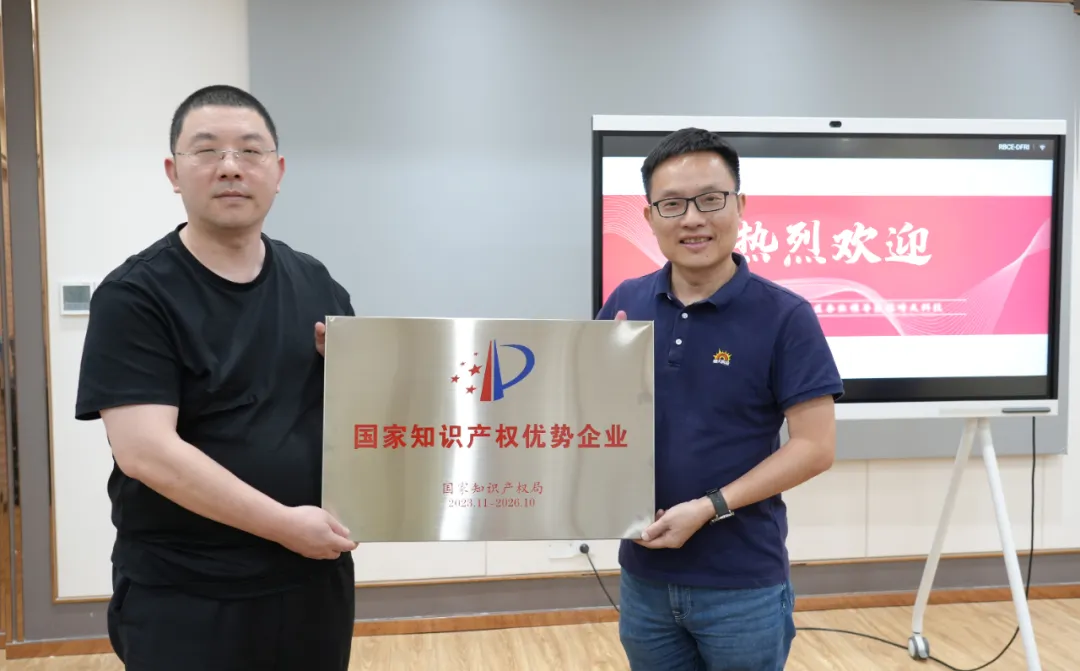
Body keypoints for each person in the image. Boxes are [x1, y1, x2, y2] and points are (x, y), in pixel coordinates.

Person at [74, 85, 358, 671]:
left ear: (278, 172)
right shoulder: (135, 296)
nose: (231, 167)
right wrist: (284, 525)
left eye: (250, 151)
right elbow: (145, 453)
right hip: (188, 592)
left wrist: (354, 372)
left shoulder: (316, 282)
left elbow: (358, 416)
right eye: (207, 151)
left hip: (310, 582)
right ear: (173, 173)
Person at [596, 128, 844, 670]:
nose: (692, 219)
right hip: (644, 576)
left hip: (742, 584)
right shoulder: (626, 302)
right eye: (672, 204)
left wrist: (710, 507)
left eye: (710, 199)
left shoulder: (786, 316)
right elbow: (592, 420)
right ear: (649, 217)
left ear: (740, 205)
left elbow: (815, 446)